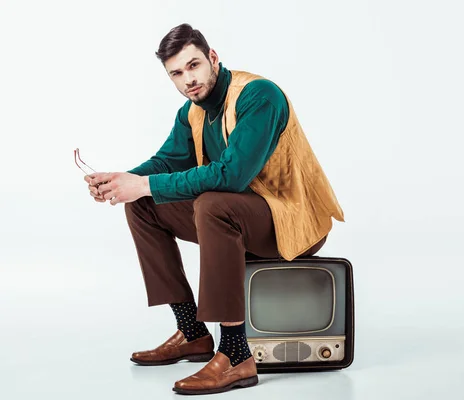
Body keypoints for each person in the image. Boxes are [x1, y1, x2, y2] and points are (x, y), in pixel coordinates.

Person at [84, 23, 344, 395]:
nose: (188, 79)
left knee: (212, 203)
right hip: (242, 219)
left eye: (193, 66)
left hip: (292, 221)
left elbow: (232, 176)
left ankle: (236, 354)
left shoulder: (259, 96)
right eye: (176, 73)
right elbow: (164, 165)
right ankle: (192, 332)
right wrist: (121, 180)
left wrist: (143, 185)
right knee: (143, 204)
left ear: (213, 59)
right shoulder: (191, 113)